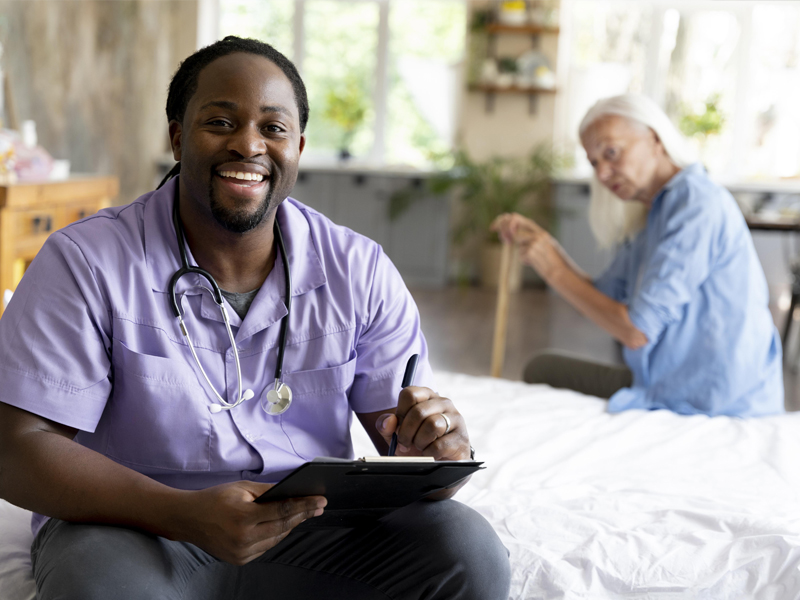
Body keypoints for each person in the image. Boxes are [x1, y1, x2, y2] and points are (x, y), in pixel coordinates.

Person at [0, 36, 510, 599]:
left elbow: (404, 445)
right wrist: (181, 513)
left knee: (469, 553)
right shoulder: (87, 261)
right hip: (135, 528)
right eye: (220, 122)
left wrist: (439, 451)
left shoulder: (357, 269)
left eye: (273, 128)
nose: (249, 145)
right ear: (176, 137)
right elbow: (15, 446)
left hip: (312, 529)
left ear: (298, 147)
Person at [492, 94, 783, 417]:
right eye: (594, 162)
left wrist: (555, 270)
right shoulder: (654, 214)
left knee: (543, 371)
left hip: (714, 400)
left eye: (611, 153)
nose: (602, 174)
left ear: (655, 139)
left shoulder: (697, 204)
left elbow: (635, 331)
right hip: (667, 382)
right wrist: (547, 250)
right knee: (543, 368)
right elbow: (603, 296)